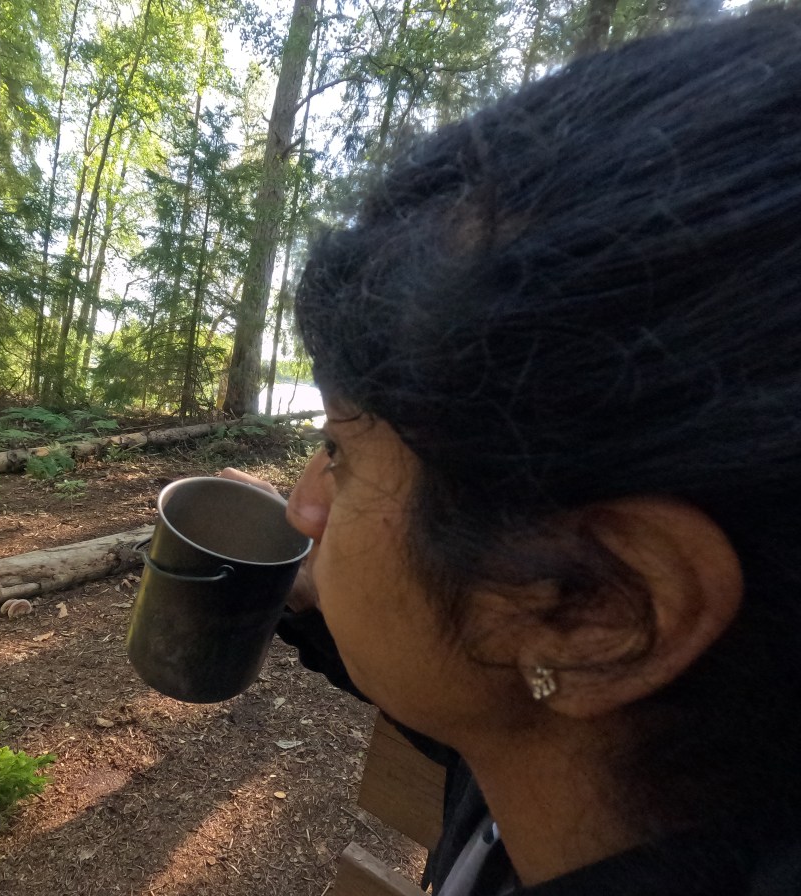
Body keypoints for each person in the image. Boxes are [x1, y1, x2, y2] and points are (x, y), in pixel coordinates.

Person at [239, 9, 801, 895]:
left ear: (591, 607)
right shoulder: (628, 786)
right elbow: (483, 694)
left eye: (340, 452)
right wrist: (308, 599)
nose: (305, 505)